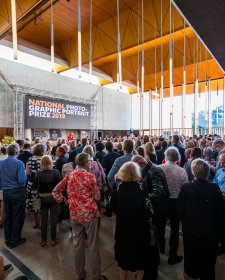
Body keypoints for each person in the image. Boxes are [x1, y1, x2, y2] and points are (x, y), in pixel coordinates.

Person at [52, 153, 104, 280]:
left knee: (77, 245)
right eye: (90, 161)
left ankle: (79, 275)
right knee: (93, 245)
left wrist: (65, 201)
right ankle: (96, 276)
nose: (91, 163)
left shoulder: (70, 176)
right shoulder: (90, 177)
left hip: (75, 214)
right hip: (89, 215)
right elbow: (98, 196)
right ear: (86, 163)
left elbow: (55, 191)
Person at [178, 159, 225, 280]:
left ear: (193, 172)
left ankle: (193, 273)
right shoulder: (214, 188)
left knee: (191, 256)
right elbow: (221, 211)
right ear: (207, 172)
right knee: (208, 260)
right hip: (210, 231)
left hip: (191, 231)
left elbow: (180, 210)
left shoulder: (186, 187)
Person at [110, 162, 150, 280]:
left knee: (123, 259)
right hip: (140, 228)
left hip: (123, 227)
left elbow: (111, 208)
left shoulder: (117, 187)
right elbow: (149, 209)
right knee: (141, 259)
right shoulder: (142, 186)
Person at [132, 155, 169, 279]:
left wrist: (142, 198)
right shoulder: (148, 169)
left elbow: (158, 193)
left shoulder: (155, 171)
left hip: (157, 212)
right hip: (153, 211)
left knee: (154, 242)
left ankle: (152, 270)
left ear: (140, 164)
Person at [160, 147, 188, 265]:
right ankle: (172, 256)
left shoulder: (158, 168)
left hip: (162, 202)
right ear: (177, 158)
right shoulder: (181, 171)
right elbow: (185, 188)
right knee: (175, 229)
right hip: (176, 202)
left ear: (166, 156)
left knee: (159, 227)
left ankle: (160, 249)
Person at [0, 143, 27, 248]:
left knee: (8, 215)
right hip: (17, 192)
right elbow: (22, 180)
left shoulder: (1, 163)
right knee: (17, 216)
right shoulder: (19, 163)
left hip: (6, 192)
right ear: (17, 152)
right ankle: (15, 239)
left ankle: (8, 239)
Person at [33, 156, 61, 247]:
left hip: (42, 199)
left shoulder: (38, 173)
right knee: (53, 219)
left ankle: (43, 240)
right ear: (51, 163)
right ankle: (53, 239)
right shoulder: (56, 172)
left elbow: (34, 186)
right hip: (53, 198)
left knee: (43, 219)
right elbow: (60, 185)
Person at [26, 143, 45, 228]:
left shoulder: (30, 159)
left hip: (31, 183)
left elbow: (28, 173)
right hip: (42, 183)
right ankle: (41, 222)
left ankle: (34, 222)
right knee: (42, 202)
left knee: (31, 202)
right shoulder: (45, 159)